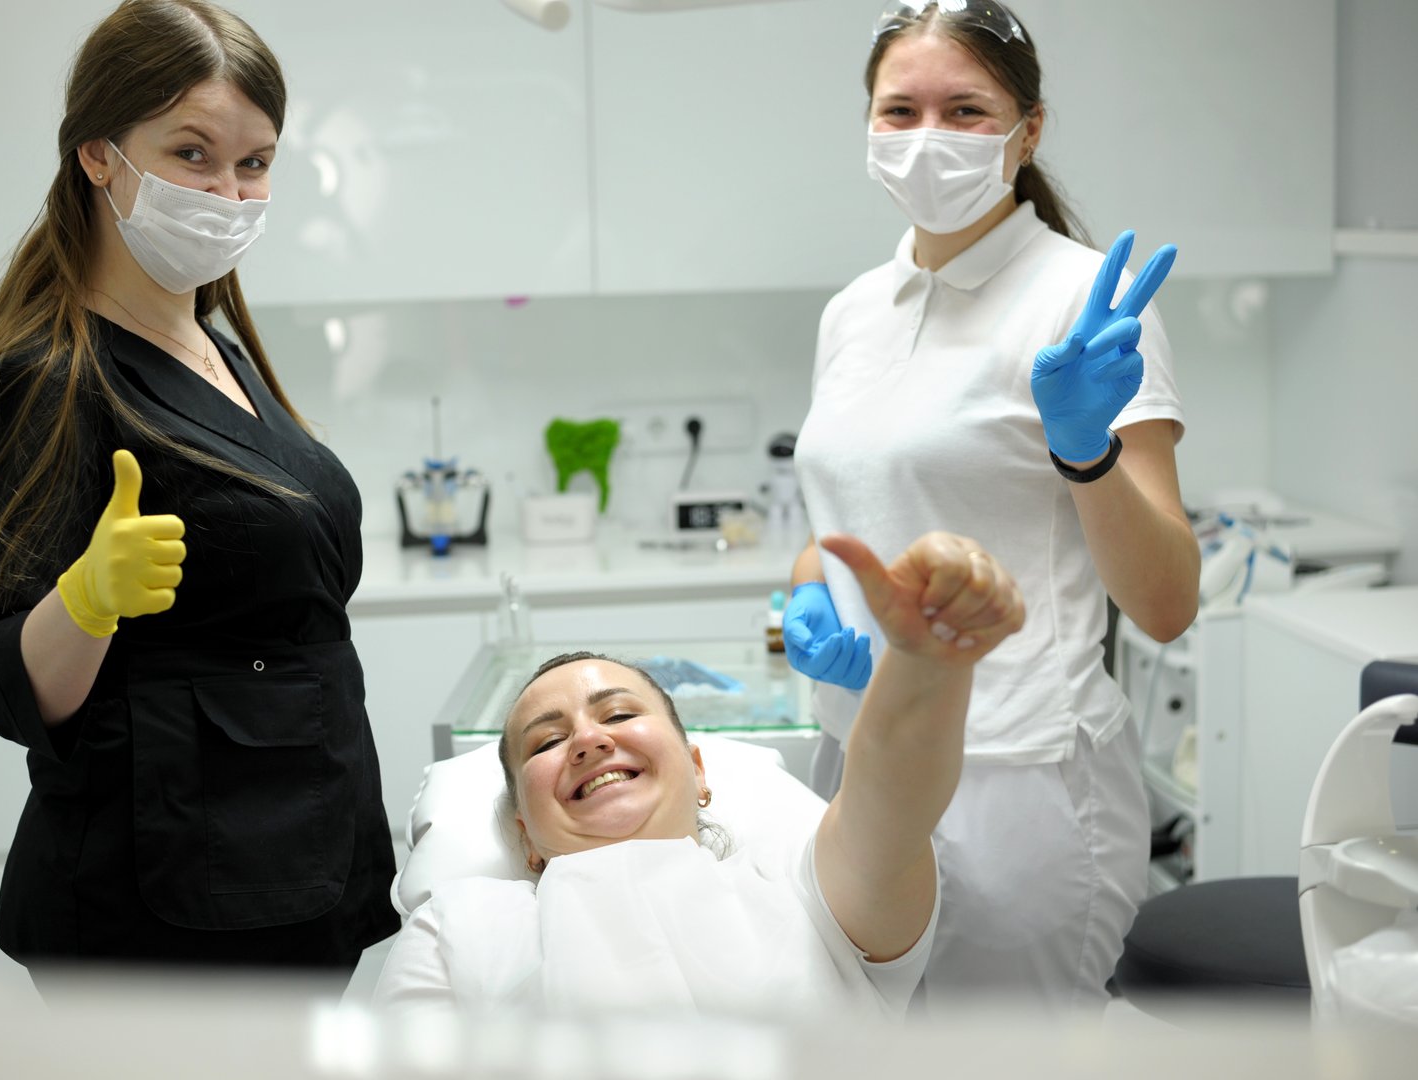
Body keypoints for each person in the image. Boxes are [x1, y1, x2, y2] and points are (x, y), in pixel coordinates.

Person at [0, 0, 397, 978]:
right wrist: (85, 600)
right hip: (168, 914)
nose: (227, 191)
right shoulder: (43, 380)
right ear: (99, 154)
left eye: (255, 162)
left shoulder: (216, 343)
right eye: (192, 153)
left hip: (294, 867)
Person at [783, 0, 1200, 1014]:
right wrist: (811, 602)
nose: (928, 138)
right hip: (863, 752)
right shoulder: (854, 314)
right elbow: (839, 520)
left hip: (1020, 772)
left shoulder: (1087, 306)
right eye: (901, 110)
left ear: (1029, 130)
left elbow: (1165, 603)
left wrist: (1085, 450)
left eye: (966, 110)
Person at [373, 532, 1025, 1014]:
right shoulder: (462, 926)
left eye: (619, 713)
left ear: (696, 768)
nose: (588, 740)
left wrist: (925, 666)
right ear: (523, 831)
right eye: (546, 740)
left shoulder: (805, 894)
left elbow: (890, 806)